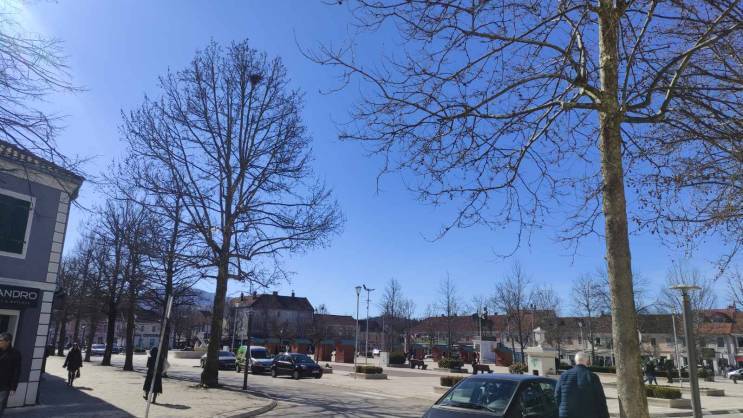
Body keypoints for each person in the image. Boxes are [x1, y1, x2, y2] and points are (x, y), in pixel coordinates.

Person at [554, 351, 609, 418]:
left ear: (575, 361)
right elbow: (601, 400)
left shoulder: (563, 376)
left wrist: (562, 409)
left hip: (566, 414)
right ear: (587, 361)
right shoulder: (592, 377)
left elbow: (557, 395)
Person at [0, 332, 21, 416]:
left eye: (1, 340)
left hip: (5, 385)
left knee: (1, 405)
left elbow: (17, 371)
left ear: (8, 342)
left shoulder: (15, 354)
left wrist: (13, 387)